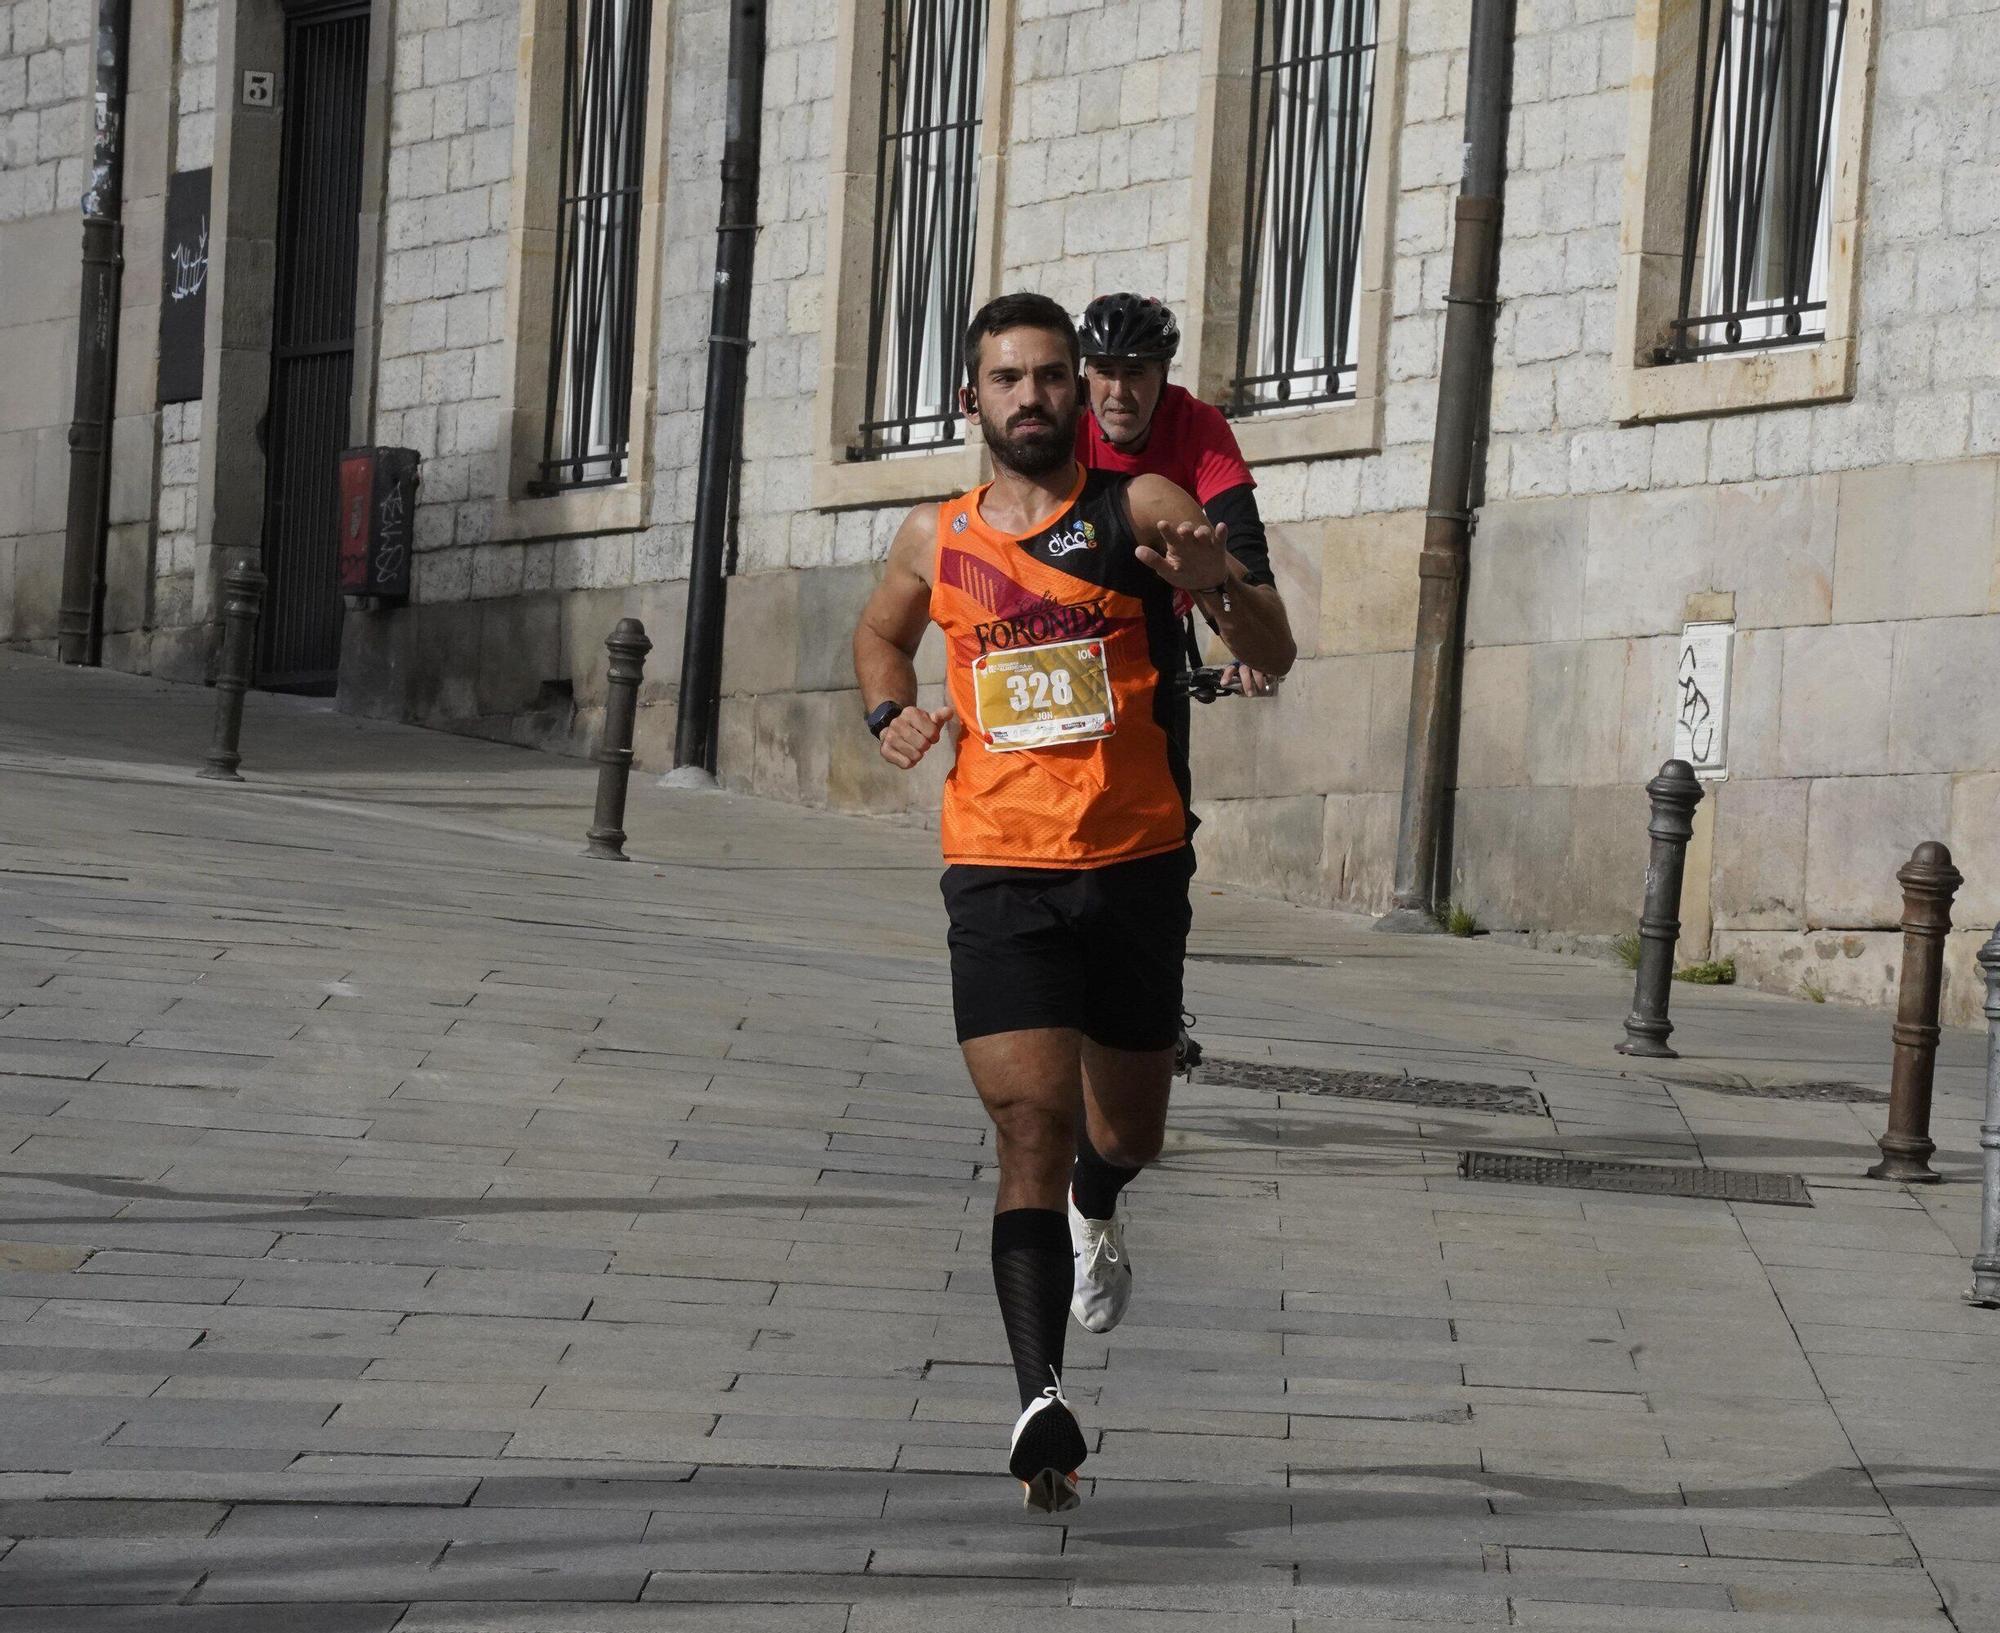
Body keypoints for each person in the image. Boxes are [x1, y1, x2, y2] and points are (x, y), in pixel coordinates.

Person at [851, 293, 1296, 1512]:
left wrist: (1217, 584)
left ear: (1077, 392)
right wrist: (888, 710)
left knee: (1124, 1135)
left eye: (1051, 375)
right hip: (997, 869)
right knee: (1027, 1129)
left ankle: (1101, 1199)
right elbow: (878, 640)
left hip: (1135, 863)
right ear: (973, 400)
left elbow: (1273, 647)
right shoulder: (931, 536)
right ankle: (1039, 1403)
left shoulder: (1137, 508)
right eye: (1009, 378)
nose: (1034, 396)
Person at [1074, 292, 1280, 698]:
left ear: (1164, 373)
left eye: (1135, 373)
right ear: (1085, 374)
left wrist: (1250, 641)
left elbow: (1239, 540)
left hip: (1160, 607)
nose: (1118, 392)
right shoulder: (1066, 424)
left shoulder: (1197, 424)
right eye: (1104, 371)